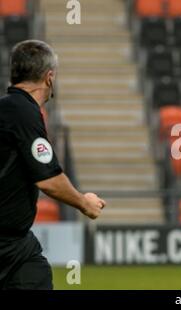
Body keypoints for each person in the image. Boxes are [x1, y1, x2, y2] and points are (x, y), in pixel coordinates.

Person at [0, 40, 106, 290]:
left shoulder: (7, 109)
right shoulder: (24, 113)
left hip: (17, 245)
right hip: (7, 245)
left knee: (36, 273)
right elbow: (48, 179)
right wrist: (84, 203)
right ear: (49, 78)